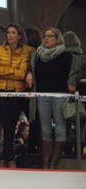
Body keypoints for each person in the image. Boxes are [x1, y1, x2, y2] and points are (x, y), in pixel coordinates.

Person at [26, 27, 72, 169]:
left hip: (60, 95)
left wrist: (72, 82)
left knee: (60, 129)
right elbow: (31, 68)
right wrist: (29, 73)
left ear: (57, 39)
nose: (46, 38)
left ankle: (54, 165)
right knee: (45, 129)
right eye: (45, 35)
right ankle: (45, 165)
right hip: (42, 95)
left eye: (50, 36)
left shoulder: (66, 55)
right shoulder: (37, 55)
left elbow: (74, 73)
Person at [0, 23, 30, 168]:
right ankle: (10, 158)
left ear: (19, 36)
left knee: (11, 125)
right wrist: (13, 71)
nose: (10, 35)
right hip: (1, 91)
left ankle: (4, 158)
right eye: (8, 32)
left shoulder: (25, 53)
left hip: (17, 92)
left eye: (13, 33)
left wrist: (6, 71)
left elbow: (22, 73)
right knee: (6, 124)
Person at [63, 31, 85, 155]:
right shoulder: (83, 57)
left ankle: (66, 151)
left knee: (65, 122)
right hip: (82, 94)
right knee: (81, 124)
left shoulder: (63, 58)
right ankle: (79, 151)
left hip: (65, 93)